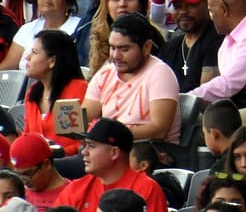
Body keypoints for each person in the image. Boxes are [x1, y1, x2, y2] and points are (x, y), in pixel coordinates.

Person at [83, 13, 179, 143]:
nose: (116, 56)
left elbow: (159, 129)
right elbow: (86, 118)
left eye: (124, 49)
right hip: (107, 151)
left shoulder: (160, 73)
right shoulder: (105, 73)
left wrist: (111, 135)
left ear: (146, 47)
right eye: (112, 48)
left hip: (149, 155)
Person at [53, 119, 167, 212]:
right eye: (84, 145)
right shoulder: (76, 189)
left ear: (114, 153)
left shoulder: (147, 189)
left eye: (91, 146)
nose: (84, 152)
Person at [22, 29, 88, 154]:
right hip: (40, 166)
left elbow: (81, 142)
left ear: (52, 61)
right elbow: (27, 136)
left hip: (69, 165)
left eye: (34, 52)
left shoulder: (77, 89)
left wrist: (58, 154)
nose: (27, 57)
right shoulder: (33, 92)